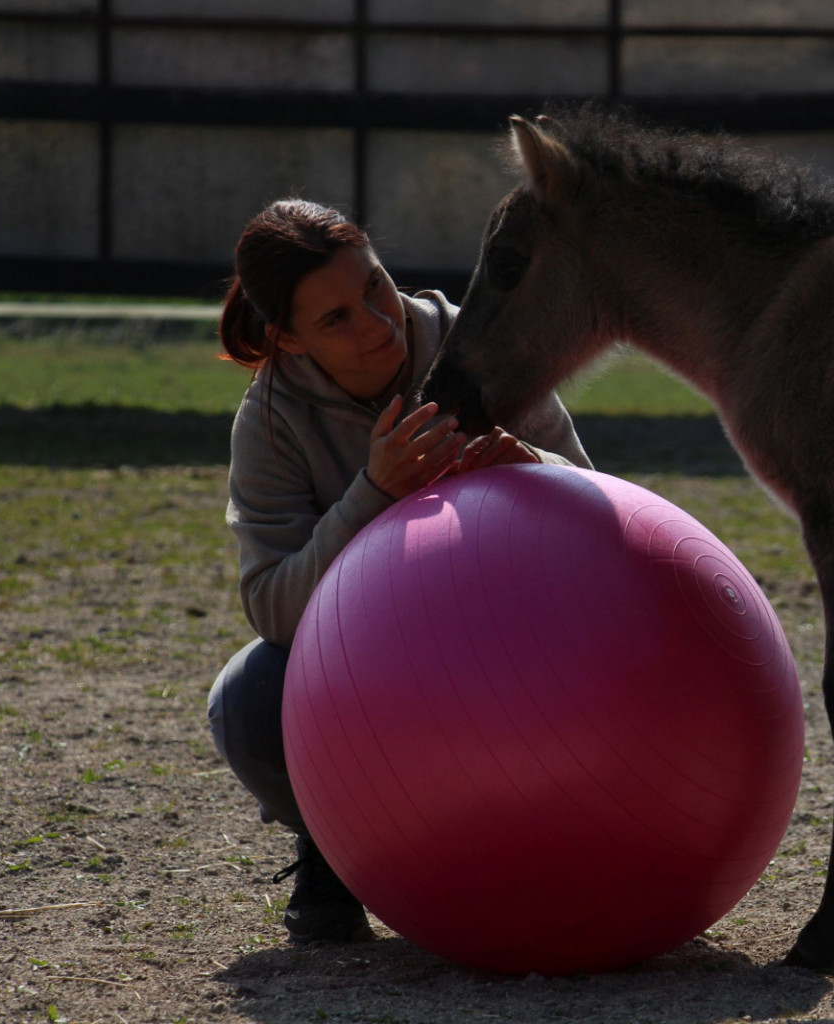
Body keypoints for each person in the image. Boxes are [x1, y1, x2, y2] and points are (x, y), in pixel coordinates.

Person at [207, 198, 592, 944]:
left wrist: (536, 470)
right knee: (251, 699)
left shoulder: (482, 347)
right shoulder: (271, 420)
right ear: (287, 339)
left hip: (515, 649)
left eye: (375, 286)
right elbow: (273, 608)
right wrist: (373, 494)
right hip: (383, 665)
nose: (378, 324)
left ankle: (559, 831)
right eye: (336, 319)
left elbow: (607, 517)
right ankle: (332, 844)